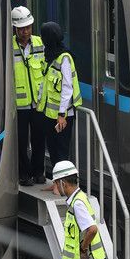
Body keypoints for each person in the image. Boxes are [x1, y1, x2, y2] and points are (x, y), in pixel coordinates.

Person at [11, 6, 48, 186]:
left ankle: (38, 172)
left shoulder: (40, 44)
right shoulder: (8, 47)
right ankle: (24, 174)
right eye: (21, 28)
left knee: (39, 139)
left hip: (38, 103)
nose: (25, 32)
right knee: (21, 142)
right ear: (15, 29)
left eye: (28, 27)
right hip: (19, 105)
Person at [37, 22, 81, 166]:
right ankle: (56, 183)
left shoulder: (64, 58)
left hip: (62, 115)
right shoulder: (48, 55)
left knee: (62, 151)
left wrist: (62, 114)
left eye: (44, 36)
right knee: (53, 148)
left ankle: (62, 185)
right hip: (49, 114)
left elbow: (67, 88)